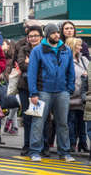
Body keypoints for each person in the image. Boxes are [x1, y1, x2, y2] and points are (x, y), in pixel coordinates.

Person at [27, 23, 75, 162]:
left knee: (63, 123)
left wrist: (69, 89)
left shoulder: (66, 49)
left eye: (57, 33)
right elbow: (32, 73)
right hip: (43, 92)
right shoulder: (37, 50)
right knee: (38, 123)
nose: (56, 35)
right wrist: (33, 93)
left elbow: (70, 71)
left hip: (62, 92)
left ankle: (64, 152)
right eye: (53, 33)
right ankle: (35, 151)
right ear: (47, 34)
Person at [17, 25, 48, 156]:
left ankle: (44, 145)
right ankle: (27, 145)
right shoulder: (23, 49)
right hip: (25, 87)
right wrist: (33, 64)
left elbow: (46, 66)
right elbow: (22, 65)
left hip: (43, 87)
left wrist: (31, 63)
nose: (33, 38)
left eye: (36, 36)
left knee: (43, 118)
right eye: (30, 36)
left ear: (41, 37)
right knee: (27, 116)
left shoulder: (46, 50)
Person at [65, 37, 89, 153]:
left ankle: (83, 144)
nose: (81, 48)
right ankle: (72, 143)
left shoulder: (84, 60)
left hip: (82, 97)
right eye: (78, 46)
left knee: (82, 123)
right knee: (71, 122)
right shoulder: (66, 59)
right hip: (70, 96)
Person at [1, 39, 19, 135]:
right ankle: (14, 126)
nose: (1, 45)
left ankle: (9, 119)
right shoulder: (0, 56)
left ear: (9, 46)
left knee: (15, 103)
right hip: (4, 83)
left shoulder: (12, 58)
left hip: (12, 82)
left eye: (3, 44)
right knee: (12, 103)